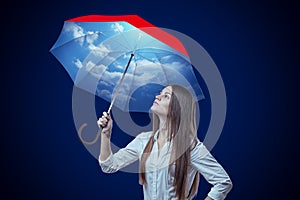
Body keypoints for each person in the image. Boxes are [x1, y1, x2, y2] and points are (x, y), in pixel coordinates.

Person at [98, 84, 232, 200]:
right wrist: (106, 135)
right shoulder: (143, 140)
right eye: (159, 94)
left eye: (166, 96)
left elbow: (223, 182)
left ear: (178, 108)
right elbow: (109, 166)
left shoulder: (191, 147)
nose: (157, 97)